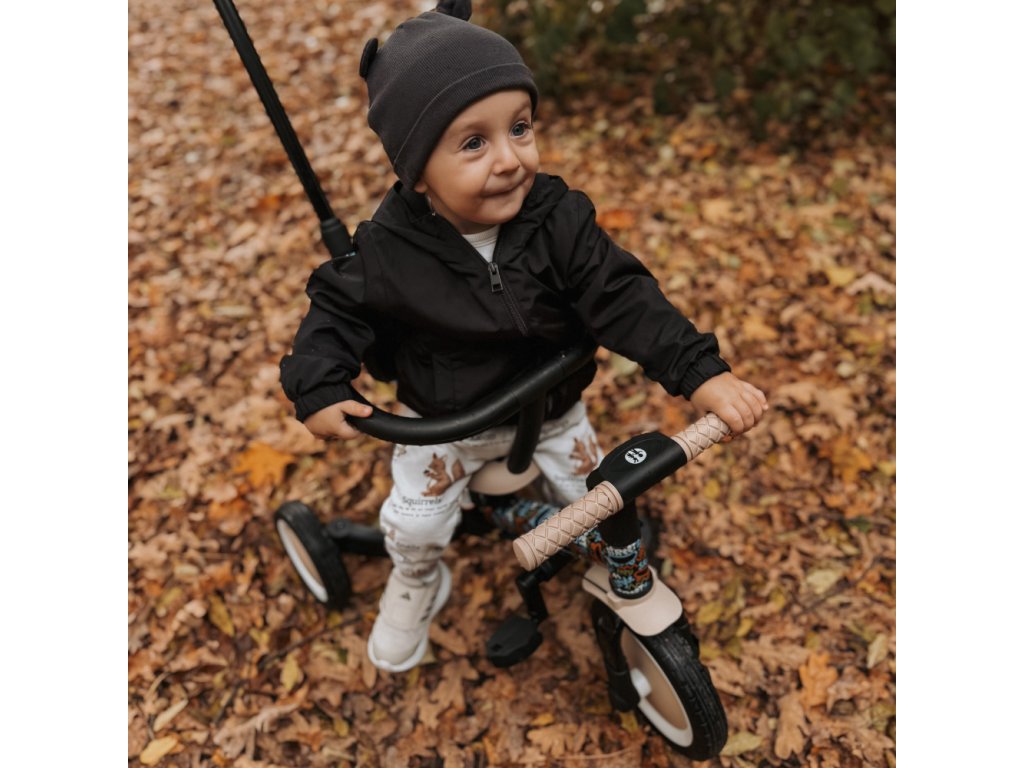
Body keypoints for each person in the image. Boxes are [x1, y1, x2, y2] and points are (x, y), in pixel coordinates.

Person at [279, 0, 768, 672]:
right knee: (416, 524)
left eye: (520, 128)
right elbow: (334, 312)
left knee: (603, 500)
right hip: (446, 424)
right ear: (417, 170)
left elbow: (621, 293)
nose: (510, 159)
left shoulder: (556, 219)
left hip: (553, 409)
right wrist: (318, 383)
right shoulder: (388, 253)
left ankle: (610, 568)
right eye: (473, 143)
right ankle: (418, 578)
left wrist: (700, 372)